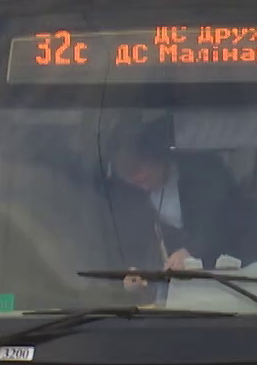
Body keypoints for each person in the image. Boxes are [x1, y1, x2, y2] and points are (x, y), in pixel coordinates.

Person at [103, 119, 242, 281]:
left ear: (156, 154)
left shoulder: (206, 174)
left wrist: (191, 252)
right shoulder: (130, 197)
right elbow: (135, 247)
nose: (137, 182)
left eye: (137, 170)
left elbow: (224, 224)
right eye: (128, 177)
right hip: (165, 289)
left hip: (224, 280)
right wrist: (134, 274)